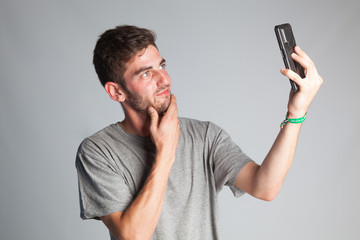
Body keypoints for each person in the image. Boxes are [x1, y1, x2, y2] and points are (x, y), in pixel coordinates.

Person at [75, 25, 323, 240]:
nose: (164, 79)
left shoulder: (204, 135)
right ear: (117, 92)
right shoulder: (98, 151)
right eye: (146, 73)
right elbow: (134, 235)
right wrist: (166, 151)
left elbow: (265, 187)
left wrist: (296, 114)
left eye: (162, 65)